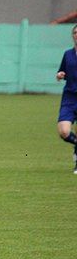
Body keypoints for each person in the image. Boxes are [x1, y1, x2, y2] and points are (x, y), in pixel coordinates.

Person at [56, 24, 77, 174]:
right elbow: (62, 71)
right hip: (69, 97)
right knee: (64, 131)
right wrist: (60, 75)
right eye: (75, 32)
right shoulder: (68, 54)